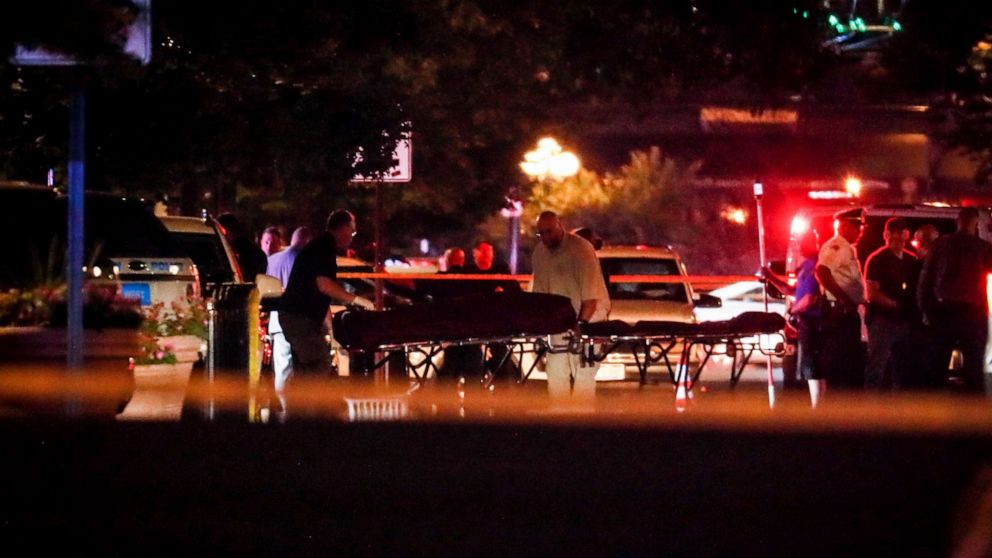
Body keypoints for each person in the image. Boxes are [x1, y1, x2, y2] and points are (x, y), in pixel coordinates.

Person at [278, 210, 374, 376]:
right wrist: (356, 299)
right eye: (352, 231)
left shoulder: (320, 245)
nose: (352, 237)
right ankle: (309, 401)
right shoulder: (325, 247)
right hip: (300, 318)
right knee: (319, 364)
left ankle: (298, 402)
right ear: (343, 228)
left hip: (296, 316)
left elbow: (319, 297)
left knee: (305, 370)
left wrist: (331, 331)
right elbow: (324, 285)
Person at [531, 211, 611, 400]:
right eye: (541, 233)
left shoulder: (581, 250)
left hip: (589, 317)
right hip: (559, 321)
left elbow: (590, 297)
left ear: (559, 225)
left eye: (549, 232)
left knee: (583, 376)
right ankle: (560, 422)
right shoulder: (539, 254)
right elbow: (541, 296)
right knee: (556, 375)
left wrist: (581, 325)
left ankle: (580, 424)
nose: (546, 238)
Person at [917, 207, 992, 393]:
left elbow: (925, 281)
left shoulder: (940, 245)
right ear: (975, 223)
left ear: (957, 221)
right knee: (974, 368)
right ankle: (972, 413)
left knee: (937, 366)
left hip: (943, 311)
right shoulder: (983, 248)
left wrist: (926, 309)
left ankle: (933, 411)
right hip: (972, 312)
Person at [814, 211, 867, 395]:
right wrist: (844, 299)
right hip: (838, 314)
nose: (860, 232)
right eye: (856, 227)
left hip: (845, 313)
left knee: (848, 366)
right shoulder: (838, 247)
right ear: (844, 226)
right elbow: (821, 271)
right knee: (840, 366)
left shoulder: (848, 248)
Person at [863, 218, 918, 390]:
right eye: (895, 235)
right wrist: (895, 305)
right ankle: (871, 409)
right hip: (883, 321)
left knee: (903, 368)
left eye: (902, 235)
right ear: (887, 235)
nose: (899, 239)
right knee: (876, 367)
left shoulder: (911, 260)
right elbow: (872, 293)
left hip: (904, 321)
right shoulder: (877, 259)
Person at [265, 226, 314, 406]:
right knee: (303, 365)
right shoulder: (304, 260)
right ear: (307, 241)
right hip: (299, 319)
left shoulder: (273, 260)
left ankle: (283, 405)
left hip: (277, 319)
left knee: (282, 365)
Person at [217, 213, 268, 281]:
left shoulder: (252, 253)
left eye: (221, 232)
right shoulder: (215, 249)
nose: (220, 237)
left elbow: (253, 280)